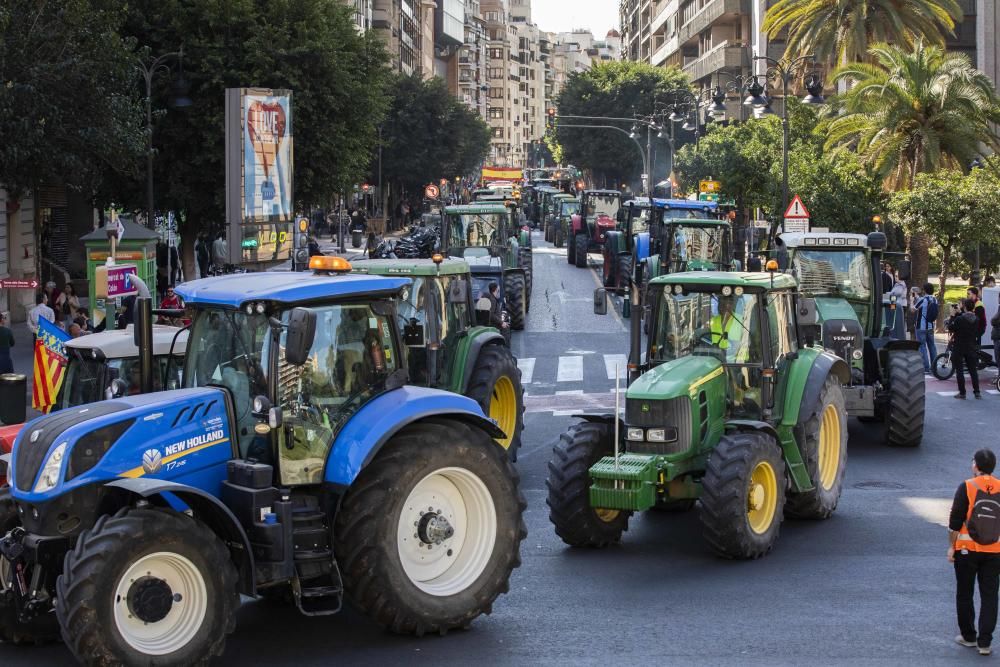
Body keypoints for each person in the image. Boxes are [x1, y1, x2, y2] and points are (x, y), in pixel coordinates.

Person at [949, 448, 1000, 656]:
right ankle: (985, 642)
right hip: (995, 551)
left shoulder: (967, 486)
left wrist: (952, 547)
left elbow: (954, 523)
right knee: (990, 596)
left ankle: (969, 636)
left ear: (975, 466)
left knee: (965, 593)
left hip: (967, 550)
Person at [948, 298, 982, 399]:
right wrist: (960, 313)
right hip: (971, 346)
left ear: (965, 307)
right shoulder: (976, 319)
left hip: (959, 346)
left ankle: (962, 393)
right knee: (973, 371)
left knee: (959, 371)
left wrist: (953, 316)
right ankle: (977, 392)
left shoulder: (959, 319)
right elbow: (967, 319)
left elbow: (951, 328)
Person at [912, 283, 939, 374]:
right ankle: (934, 366)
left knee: (922, 346)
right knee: (932, 346)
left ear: (924, 290)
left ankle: (926, 367)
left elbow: (913, 309)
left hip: (921, 327)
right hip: (931, 326)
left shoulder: (923, 299)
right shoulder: (935, 299)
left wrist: (912, 300)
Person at [991, 291, 1000, 371]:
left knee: (998, 359)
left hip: (998, 336)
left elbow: (994, 320)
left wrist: (993, 321)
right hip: (997, 336)